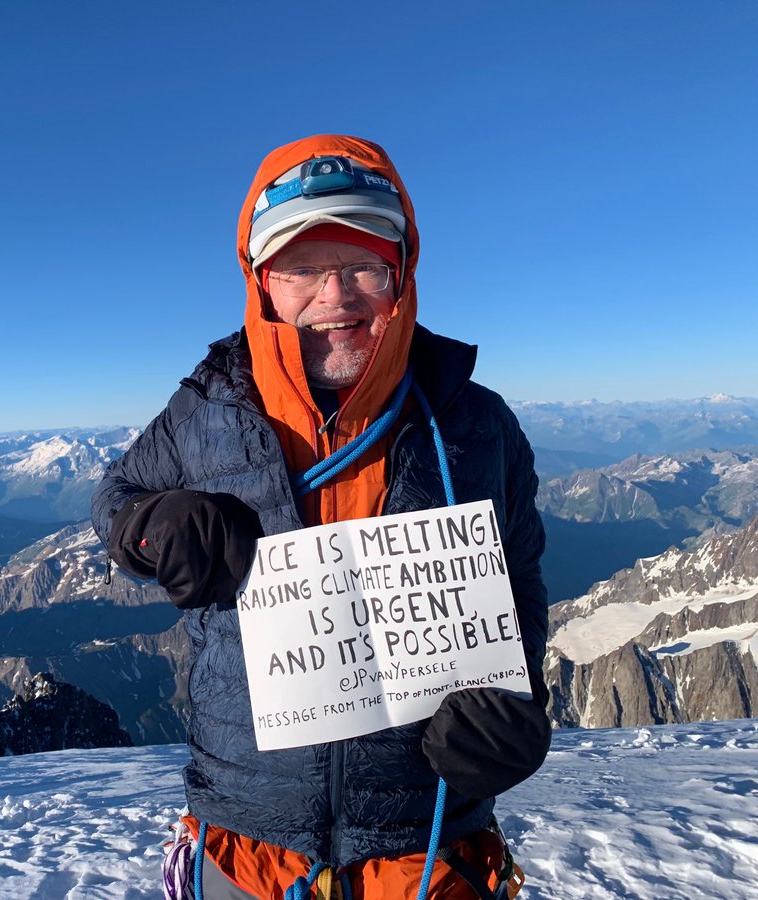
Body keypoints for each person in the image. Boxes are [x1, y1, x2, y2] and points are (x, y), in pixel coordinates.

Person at [91, 135, 551, 899]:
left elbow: (520, 575)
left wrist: (518, 702)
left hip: (427, 841)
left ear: (401, 276)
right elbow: (117, 499)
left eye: (363, 266)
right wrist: (153, 526)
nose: (334, 297)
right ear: (261, 284)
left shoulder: (476, 423)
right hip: (247, 841)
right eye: (301, 269)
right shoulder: (206, 409)